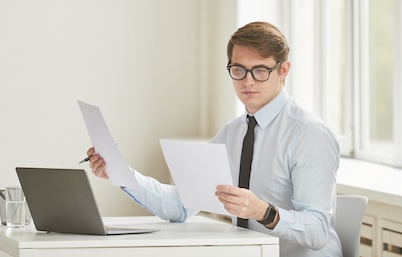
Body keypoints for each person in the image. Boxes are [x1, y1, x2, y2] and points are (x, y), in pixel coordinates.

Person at [86, 21, 342, 257]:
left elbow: (318, 231)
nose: (248, 81)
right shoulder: (232, 133)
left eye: (260, 70)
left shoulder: (309, 134)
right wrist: (122, 173)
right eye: (239, 69)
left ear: (283, 70)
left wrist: (263, 212)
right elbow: (181, 205)